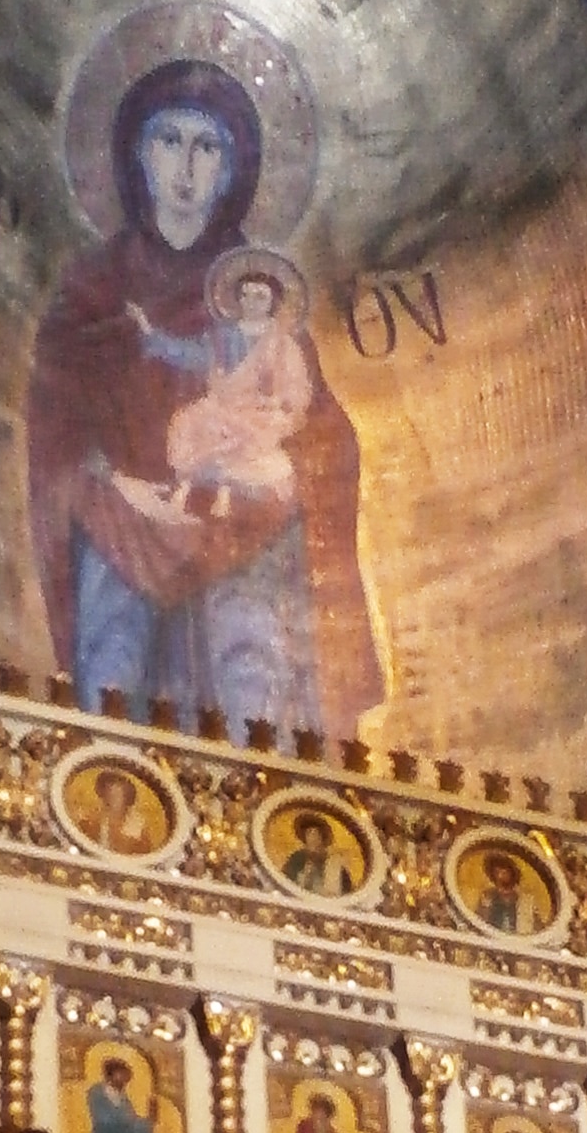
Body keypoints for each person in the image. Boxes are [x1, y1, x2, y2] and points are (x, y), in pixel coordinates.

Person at [25, 57, 378, 729]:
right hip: (122, 518)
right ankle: (106, 772)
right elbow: (56, 428)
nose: (186, 168)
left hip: (242, 518)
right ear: (138, 156)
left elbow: (322, 434)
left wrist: (279, 461)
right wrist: (106, 487)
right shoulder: (91, 292)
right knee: (114, 654)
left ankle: (261, 779)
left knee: (252, 656)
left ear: (231, 172)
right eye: (169, 140)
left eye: (208, 147)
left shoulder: (263, 305)